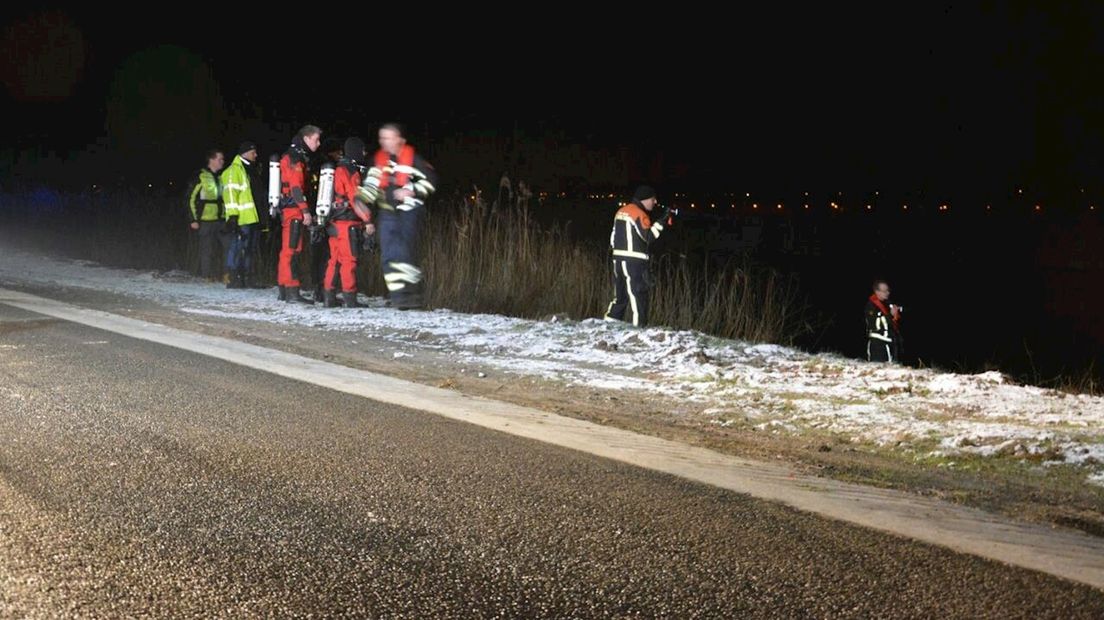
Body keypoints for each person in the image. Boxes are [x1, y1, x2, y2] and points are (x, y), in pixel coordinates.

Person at [357, 123, 438, 310]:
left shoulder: (413, 160)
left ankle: (413, 295)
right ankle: (399, 298)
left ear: (399, 139)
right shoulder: (380, 162)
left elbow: (431, 180)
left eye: (388, 137)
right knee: (388, 256)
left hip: (409, 212)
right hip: (387, 214)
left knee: (405, 253)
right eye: (381, 138)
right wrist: (361, 199)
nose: (383, 141)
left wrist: (411, 190)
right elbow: (371, 186)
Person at [604, 185, 671, 326]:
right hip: (634, 263)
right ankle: (638, 333)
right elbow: (649, 236)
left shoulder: (621, 211)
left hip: (618, 261)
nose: (655, 202)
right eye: (653, 199)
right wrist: (662, 221)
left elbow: (612, 238)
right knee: (638, 298)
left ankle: (608, 327)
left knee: (620, 298)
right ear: (645, 199)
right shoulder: (639, 214)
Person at [322, 137, 375, 308]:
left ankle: (329, 296)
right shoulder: (350, 171)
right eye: (362, 150)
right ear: (356, 151)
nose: (365, 153)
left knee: (335, 260)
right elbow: (355, 199)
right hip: (347, 224)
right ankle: (350, 298)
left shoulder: (339, 169)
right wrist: (368, 221)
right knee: (349, 261)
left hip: (334, 223)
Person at [277, 124, 322, 303]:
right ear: (306, 138)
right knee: (293, 250)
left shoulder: (291, 154)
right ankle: (292, 292)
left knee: (287, 250)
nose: (318, 144)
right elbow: (296, 187)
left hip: (288, 209)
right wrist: (305, 210)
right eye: (316, 140)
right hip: (294, 210)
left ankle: (284, 290)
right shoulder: (296, 158)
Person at [220, 141, 262, 289]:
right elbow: (230, 194)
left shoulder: (250, 169)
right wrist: (232, 217)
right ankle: (233, 278)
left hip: (252, 217)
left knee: (249, 248)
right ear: (245, 153)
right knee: (237, 247)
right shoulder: (234, 170)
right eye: (253, 152)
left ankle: (247, 278)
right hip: (241, 218)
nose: (256, 155)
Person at [186, 149, 225, 280]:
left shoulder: (220, 177)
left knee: (227, 246)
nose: (222, 162)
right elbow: (190, 198)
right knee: (206, 249)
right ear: (212, 160)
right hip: (205, 220)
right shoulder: (200, 176)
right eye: (220, 159)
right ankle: (206, 276)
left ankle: (225, 274)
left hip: (220, 219)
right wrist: (193, 219)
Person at [865, 279, 903, 362]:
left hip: (890, 343)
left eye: (888, 290)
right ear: (877, 291)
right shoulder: (871, 306)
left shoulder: (887, 303)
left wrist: (897, 312)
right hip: (877, 344)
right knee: (879, 370)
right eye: (884, 291)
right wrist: (890, 314)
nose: (887, 293)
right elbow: (874, 325)